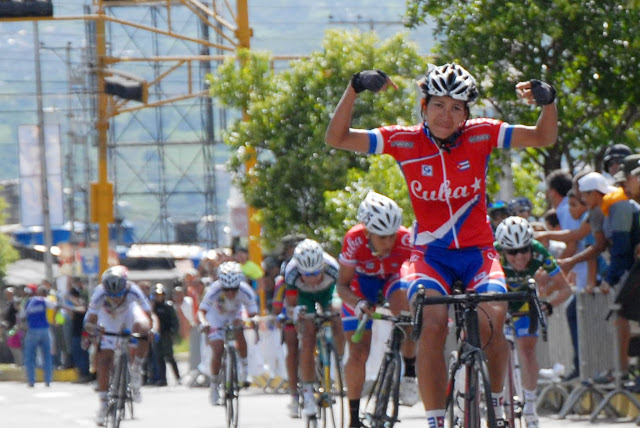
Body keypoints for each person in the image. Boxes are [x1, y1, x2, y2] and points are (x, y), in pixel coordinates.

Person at [325, 63, 558, 427]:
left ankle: (495, 407)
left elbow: (543, 137)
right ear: (423, 105)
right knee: (432, 324)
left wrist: (549, 102)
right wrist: (353, 88)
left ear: (467, 114)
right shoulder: (404, 141)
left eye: (456, 107)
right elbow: (336, 139)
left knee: (493, 319)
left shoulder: (482, 135)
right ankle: (435, 420)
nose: (446, 115)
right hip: (430, 257)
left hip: (478, 254)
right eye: (438, 105)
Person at [336, 191, 416, 427]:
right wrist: (358, 303)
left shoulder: (406, 238)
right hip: (360, 286)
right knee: (359, 351)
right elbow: (342, 285)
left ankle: (410, 372)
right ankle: (353, 417)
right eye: (383, 237)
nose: (390, 242)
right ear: (368, 232)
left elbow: (417, 275)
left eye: (392, 236)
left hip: (391, 279)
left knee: (406, 306)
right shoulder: (353, 239)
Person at [495, 216, 571, 428]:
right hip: (498, 299)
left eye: (524, 250)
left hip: (522, 303)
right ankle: (494, 397)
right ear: (502, 250)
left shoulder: (539, 252)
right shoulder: (492, 254)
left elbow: (565, 288)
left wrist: (548, 305)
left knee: (527, 349)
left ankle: (529, 405)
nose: (519, 257)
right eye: (512, 252)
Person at [83, 266, 155, 426]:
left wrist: (151, 330)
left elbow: (149, 315)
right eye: (112, 296)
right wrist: (93, 330)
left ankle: (136, 369)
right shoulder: (100, 292)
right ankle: (102, 406)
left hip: (129, 315)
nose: (115, 298)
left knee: (144, 328)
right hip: (108, 320)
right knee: (104, 361)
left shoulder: (133, 290)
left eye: (119, 295)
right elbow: (89, 320)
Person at [284, 238, 345, 417]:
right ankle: (308, 391)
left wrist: (337, 307)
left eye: (316, 273)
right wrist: (296, 313)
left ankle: (339, 359)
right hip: (305, 298)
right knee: (308, 338)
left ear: (323, 266)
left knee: (336, 315)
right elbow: (291, 304)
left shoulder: (333, 267)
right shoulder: (291, 272)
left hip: (327, 292)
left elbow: (341, 292)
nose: (311, 278)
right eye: (306, 274)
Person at [197, 261, 258, 406]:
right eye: (226, 289)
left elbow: (253, 313)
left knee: (239, 330)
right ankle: (214, 386)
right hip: (216, 317)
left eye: (234, 289)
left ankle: (244, 369)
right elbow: (201, 311)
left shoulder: (246, 290)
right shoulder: (214, 289)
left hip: (235, 314)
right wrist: (204, 323)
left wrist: (252, 320)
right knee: (217, 349)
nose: (230, 293)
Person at [272, 233, 306, 418]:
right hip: (291, 308)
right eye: (291, 249)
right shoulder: (286, 269)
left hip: (309, 304)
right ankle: (294, 394)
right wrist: (279, 314)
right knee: (292, 348)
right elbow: (279, 294)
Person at [21, 285, 57, 388]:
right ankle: (48, 380)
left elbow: (23, 315)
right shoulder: (44, 300)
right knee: (47, 356)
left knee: (30, 357)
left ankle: (31, 381)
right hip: (45, 330)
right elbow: (54, 305)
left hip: (32, 330)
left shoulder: (28, 302)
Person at [151, 283, 181, 386]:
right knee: (159, 357)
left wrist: (173, 332)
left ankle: (178, 377)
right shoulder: (152, 307)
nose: (158, 297)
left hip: (166, 334)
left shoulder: (168, 306)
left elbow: (174, 320)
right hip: (157, 335)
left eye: (160, 295)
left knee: (169, 357)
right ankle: (162, 379)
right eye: (156, 295)